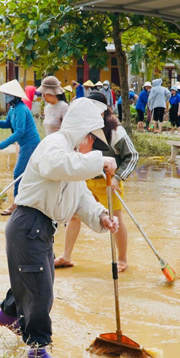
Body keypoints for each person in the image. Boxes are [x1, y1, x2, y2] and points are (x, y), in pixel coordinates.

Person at [0, 98, 119, 358]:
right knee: (42, 291)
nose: (92, 148)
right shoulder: (54, 145)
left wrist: (102, 217)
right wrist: (100, 162)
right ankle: (37, 349)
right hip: (28, 224)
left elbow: (81, 196)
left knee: (35, 277)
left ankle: (8, 315)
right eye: (92, 141)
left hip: (38, 228)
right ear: (83, 134)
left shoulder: (71, 157)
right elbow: (57, 167)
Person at [54, 91, 138, 271]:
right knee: (74, 216)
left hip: (108, 182)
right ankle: (66, 256)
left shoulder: (115, 130)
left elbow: (132, 157)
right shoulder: (81, 128)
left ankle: (122, 260)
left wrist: (117, 178)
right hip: (84, 180)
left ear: (104, 112)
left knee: (116, 219)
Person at [0, 80, 42, 216]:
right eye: (5, 94)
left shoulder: (20, 108)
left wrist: (0, 146)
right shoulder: (12, 108)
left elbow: (19, 132)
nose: (5, 96)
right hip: (25, 144)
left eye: (7, 94)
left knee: (18, 173)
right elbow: (8, 123)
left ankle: (16, 204)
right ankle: (26, 202)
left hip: (31, 145)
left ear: (14, 96)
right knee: (26, 174)